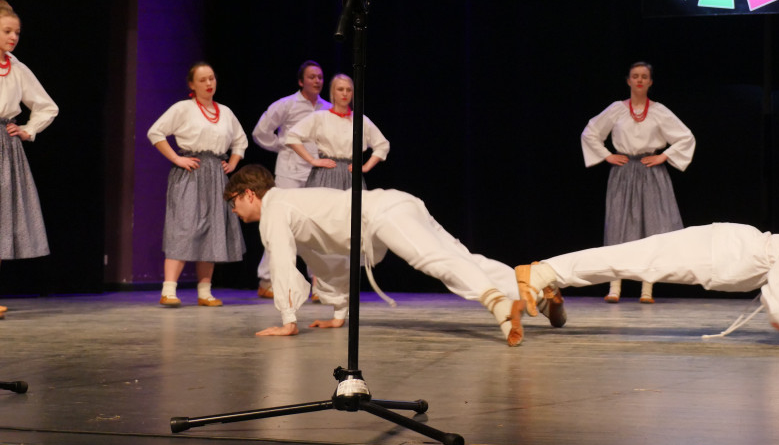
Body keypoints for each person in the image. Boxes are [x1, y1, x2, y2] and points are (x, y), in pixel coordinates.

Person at [223, 164, 561, 345]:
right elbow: (325, 260)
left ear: (249, 194)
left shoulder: (274, 210)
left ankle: (498, 303)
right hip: (397, 202)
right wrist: (339, 312)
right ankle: (533, 294)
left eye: (234, 201)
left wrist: (287, 321)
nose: (235, 210)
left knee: (433, 259)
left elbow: (282, 262)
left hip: (382, 214)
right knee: (459, 255)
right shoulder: (290, 203)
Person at [515, 224, 779, 344]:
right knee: (632, 258)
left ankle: (553, 279)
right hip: (728, 251)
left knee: (634, 261)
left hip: (733, 260)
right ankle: (544, 274)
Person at [581, 61, 695, 303]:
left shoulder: (659, 111)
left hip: (651, 172)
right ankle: (614, 287)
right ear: (628, 81)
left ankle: (647, 289)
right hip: (624, 173)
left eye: (644, 76)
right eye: (635, 76)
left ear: (650, 82)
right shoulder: (616, 109)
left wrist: (663, 156)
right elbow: (590, 132)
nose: (640, 80)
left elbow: (685, 137)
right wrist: (607, 155)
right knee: (619, 226)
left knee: (652, 228)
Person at [147, 62, 248, 307]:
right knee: (184, 227)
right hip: (191, 173)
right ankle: (169, 290)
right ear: (192, 84)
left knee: (211, 230)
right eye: (202, 80)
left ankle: (205, 292)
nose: (209, 83)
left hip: (216, 174)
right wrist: (176, 158)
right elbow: (155, 133)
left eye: (211, 78)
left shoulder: (225, 111)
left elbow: (240, 141)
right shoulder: (183, 108)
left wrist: (232, 163)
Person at [251, 61, 330, 298]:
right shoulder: (286, 105)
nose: (317, 81)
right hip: (289, 173)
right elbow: (260, 132)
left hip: (316, 174)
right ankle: (267, 281)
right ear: (300, 81)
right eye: (312, 77)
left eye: (320, 77)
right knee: (280, 225)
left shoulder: (327, 108)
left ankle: (318, 284)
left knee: (314, 228)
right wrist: (282, 146)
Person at [0, 1, 58, 319]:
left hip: (4, 147)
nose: (13, 37)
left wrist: (27, 130)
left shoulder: (17, 68)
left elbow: (47, 106)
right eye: (7, 31)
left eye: (17, 33)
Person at [285, 73, 390, 190]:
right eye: (340, 89)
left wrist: (365, 167)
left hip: (350, 175)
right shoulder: (320, 117)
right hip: (325, 173)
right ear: (333, 92)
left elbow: (382, 145)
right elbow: (292, 136)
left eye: (348, 90)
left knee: (350, 208)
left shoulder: (360, 120)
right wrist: (312, 160)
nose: (345, 93)